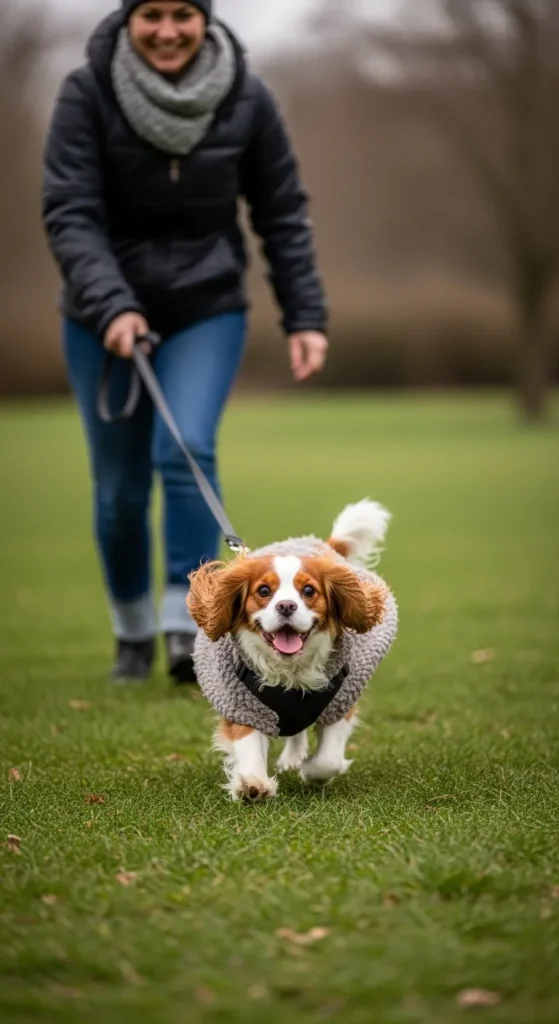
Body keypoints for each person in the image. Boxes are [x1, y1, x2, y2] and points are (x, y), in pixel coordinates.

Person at [42, 0, 328, 685]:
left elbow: (282, 211)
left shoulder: (246, 96)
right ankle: (132, 634)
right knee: (118, 489)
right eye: (151, 14)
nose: (167, 29)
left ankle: (186, 630)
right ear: (129, 18)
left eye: (182, 13)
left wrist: (305, 314)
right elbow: (70, 211)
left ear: (204, 18)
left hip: (207, 304)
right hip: (100, 314)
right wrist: (111, 304)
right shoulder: (87, 92)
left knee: (187, 448)